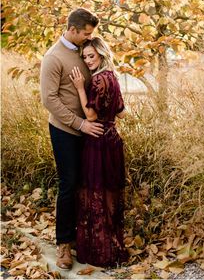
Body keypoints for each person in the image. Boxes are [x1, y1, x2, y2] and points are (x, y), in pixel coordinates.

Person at [40, 8, 104, 270]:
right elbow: (49, 100)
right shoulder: (53, 57)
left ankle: (83, 237)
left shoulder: (83, 49)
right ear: (73, 29)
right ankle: (64, 244)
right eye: (86, 33)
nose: (89, 37)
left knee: (86, 185)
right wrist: (80, 124)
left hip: (90, 128)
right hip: (66, 131)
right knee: (69, 184)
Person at [70, 37, 128, 267]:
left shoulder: (96, 81)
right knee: (109, 193)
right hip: (113, 139)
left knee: (95, 194)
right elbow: (123, 113)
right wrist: (109, 117)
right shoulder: (113, 77)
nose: (88, 60)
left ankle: (98, 253)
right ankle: (113, 248)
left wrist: (79, 88)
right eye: (84, 57)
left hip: (97, 142)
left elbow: (91, 116)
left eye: (91, 56)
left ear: (102, 54)